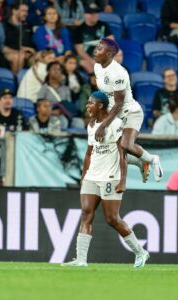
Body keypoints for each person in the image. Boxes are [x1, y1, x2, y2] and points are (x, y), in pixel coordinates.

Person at [62, 91, 149, 268]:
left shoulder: (116, 124)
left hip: (110, 176)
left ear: (100, 105)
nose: (87, 106)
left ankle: (140, 252)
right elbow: (89, 153)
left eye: (90, 103)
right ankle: (81, 259)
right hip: (92, 176)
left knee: (112, 219)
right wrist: (84, 174)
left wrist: (123, 180)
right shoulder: (91, 125)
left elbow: (122, 152)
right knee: (86, 214)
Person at [93, 38, 163, 182]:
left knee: (126, 145)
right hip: (114, 114)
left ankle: (152, 159)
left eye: (100, 49)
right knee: (112, 153)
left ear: (109, 53)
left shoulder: (119, 73)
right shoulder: (97, 67)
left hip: (130, 112)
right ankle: (140, 161)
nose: (95, 51)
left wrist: (103, 125)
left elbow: (118, 104)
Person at [0, 0, 35, 75]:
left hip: (27, 53)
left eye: (26, 11)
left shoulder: (28, 26)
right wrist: (18, 52)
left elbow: (32, 44)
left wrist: (29, 50)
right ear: (14, 11)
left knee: (42, 58)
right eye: (23, 11)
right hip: (9, 52)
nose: (25, 14)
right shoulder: (3, 25)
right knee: (17, 57)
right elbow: (1, 47)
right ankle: (16, 82)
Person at [74, 3, 113, 74]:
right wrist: (92, 61)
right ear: (85, 14)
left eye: (96, 13)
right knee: (87, 64)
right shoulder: (79, 30)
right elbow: (80, 51)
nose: (94, 15)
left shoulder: (104, 25)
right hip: (85, 56)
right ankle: (95, 82)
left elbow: (111, 42)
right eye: (91, 13)